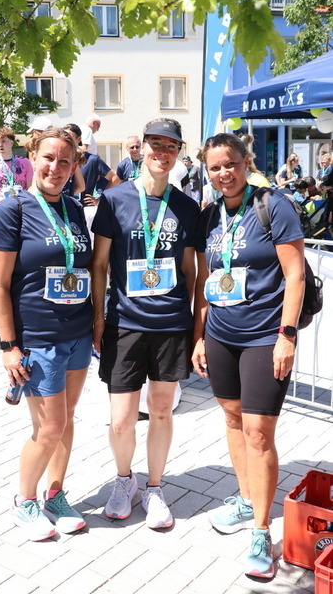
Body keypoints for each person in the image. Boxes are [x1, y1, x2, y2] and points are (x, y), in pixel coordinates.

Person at [192, 133, 305, 579]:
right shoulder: (209, 215)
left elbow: (295, 275)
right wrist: (200, 337)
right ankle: (245, 498)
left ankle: (261, 529)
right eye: (215, 167)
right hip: (221, 334)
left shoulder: (272, 205)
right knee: (233, 418)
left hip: (264, 336)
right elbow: (205, 279)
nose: (224, 173)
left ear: (246, 163)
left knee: (259, 432)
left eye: (230, 164)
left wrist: (287, 336)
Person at [92, 118, 200, 529]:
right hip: (125, 323)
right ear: (143, 148)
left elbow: (190, 272)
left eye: (170, 146)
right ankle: (125, 481)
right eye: (155, 144)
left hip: (170, 324)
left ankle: (155, 487)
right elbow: (99, 265)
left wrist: (192, 326)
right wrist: (98, 318)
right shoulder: (114, 199)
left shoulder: (186, 206)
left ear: (178, 153)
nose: (162, 152)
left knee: (161, 411)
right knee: (121, 418)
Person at [0, 128, 93, 542]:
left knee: (66, 420)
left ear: (74, 165)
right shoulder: (12, 210)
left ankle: (55, 495)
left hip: (78, 332)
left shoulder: (73, 209)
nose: (55, 167)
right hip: (38, 337)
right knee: (49, 427)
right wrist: (9, 347)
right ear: (33, 157)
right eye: (49, 158)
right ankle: (24, 499)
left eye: (65, 161)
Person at [0, 127, 33, 204]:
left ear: (11, 143)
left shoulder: (25, 162)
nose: (0, 145)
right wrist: (5, 202)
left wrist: (22, 201)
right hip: (2, 205)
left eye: (3, 141)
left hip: (22, 204)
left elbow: (30, 188)